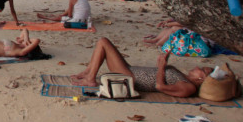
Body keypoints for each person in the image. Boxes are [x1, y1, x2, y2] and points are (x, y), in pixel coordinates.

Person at [70, 37, 212, 97]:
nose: (198, 66)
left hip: (132, 78)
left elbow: (160, 87)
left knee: (103, 42)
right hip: (131, 70)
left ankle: (90, 78)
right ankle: (88, 72)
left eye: (203, 69)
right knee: (103, 43)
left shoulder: (189, 87)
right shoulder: (185, 78)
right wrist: (164, 63)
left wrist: (162, 67)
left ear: (201, 78)